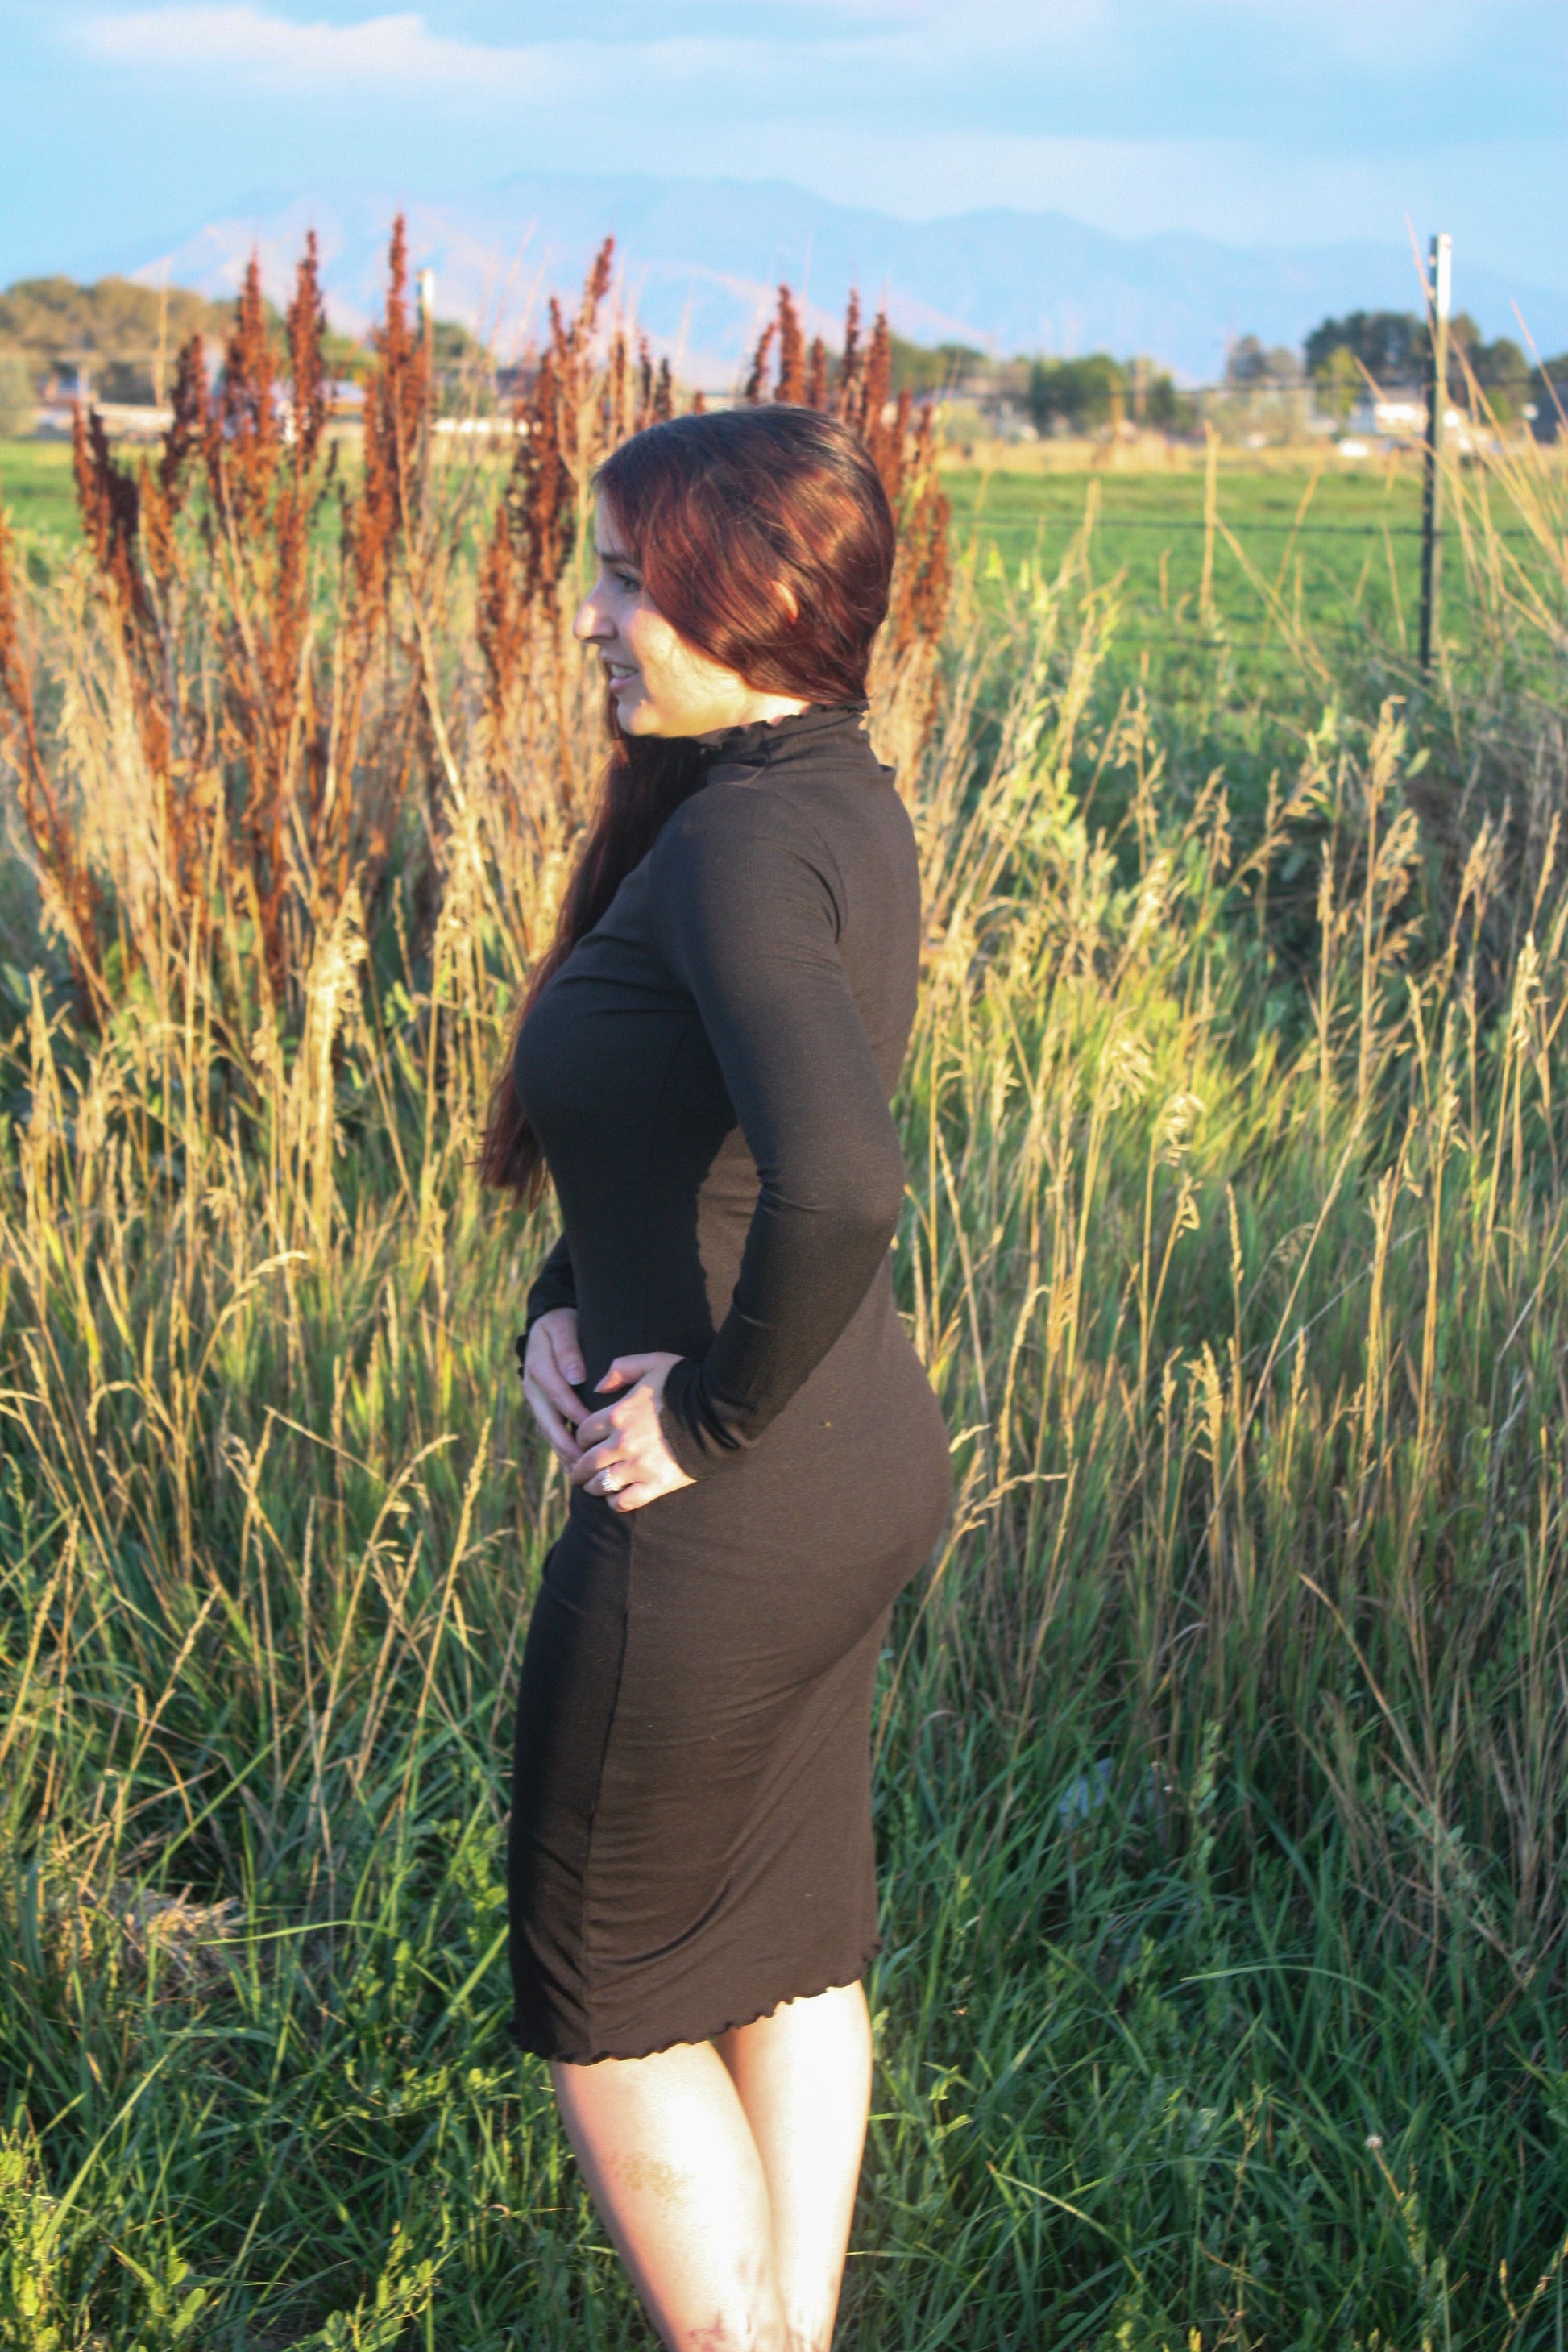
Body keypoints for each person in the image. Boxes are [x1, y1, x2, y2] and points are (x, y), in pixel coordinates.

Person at [481, 404, 952, 2352]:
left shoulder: (742, 845)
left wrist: (703, 1413)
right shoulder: (822, 791)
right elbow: (694, 1135)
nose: (587, 612)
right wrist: (559, 1296)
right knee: (781, 1946)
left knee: (613, 1978)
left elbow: (842, 1183)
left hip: (728, 1506)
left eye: (622, 574)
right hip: (846, 1471)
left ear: (736, 595)